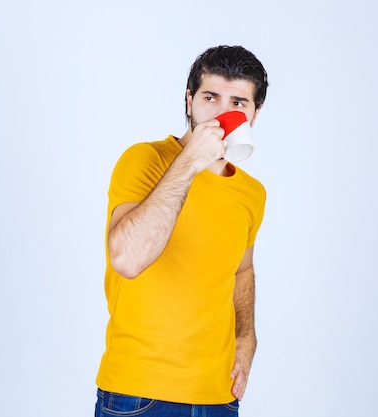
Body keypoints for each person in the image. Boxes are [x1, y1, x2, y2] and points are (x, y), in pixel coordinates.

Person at [94, 45, 269, 417]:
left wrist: (246, 337)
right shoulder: (144, 159)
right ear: (189, 101)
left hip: (219, 396)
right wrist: (190, 160)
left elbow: (242, 269)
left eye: (238, 103)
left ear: (254, 114)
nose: (223, 113)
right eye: (210, 97)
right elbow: (127, 259)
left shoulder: (251, 193)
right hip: (139, 395)